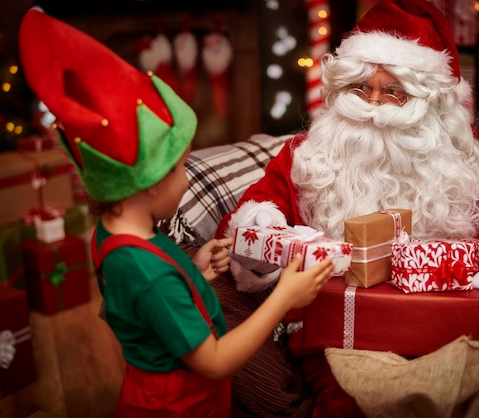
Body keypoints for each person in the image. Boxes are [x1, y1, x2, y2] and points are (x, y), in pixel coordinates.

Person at [215, 0, 479, 416]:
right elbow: (254, 210)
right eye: (360, 89)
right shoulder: (306, 154)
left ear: (431, 102)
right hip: (344, 338)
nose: (374, 107)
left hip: (457, 328)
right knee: (357, 405)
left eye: (394, 92)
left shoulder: (470, 158)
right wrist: (263, 229)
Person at [17, 8, 333, 417]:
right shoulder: (150, 275)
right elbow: (214, 361)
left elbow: (149, 308)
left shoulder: (115, 235)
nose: (188, 179)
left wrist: (194, 270)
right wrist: (285, 297)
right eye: (181, 167)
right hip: (181, 407)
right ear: (149, 183)